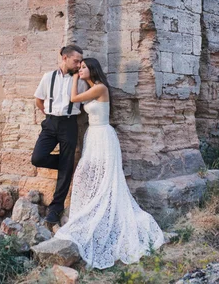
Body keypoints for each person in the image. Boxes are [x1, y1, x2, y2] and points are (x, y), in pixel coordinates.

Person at [54, 58, 165, 269]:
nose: (80, 69)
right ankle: (93, 209)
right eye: (80, 67)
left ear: (92, 69)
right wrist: (82, 77)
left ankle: (102, 211)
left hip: (103, 135)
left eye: (84, 67)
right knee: (88, 173)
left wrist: (75, 76)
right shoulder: (95, 87)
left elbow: (74, 98)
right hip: (93, 135)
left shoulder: (101, 88)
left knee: (99, 174)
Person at [32, 45, 88, 225]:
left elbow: (87, 101)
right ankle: (67, 166)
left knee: (65, 168)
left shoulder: (80, 80)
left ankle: (55, 209)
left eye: (80, 61)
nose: (79, 64)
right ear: (64, 58)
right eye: (76, 61)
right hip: (50, 123)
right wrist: (48, 117)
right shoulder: (48, 77)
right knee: (38, 158)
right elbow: (38, 100)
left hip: (69, 123)